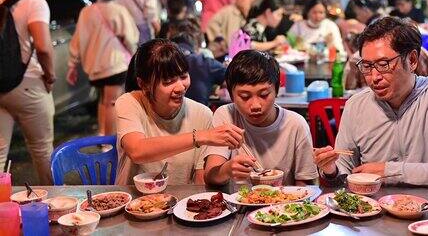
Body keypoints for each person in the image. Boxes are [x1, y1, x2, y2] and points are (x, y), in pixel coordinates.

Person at [314, 17, 428, 187]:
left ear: (412, 60)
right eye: (367, 66)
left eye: (384, 64)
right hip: (375, 209)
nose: (374, 77)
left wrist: (390, 171)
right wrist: (331, 170)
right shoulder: (356, 105)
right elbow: (345, 170)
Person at [115, 39, 245, 185]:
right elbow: (137, 151)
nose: (180, 87)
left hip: (179, 204)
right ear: (143, 84)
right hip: (131, 203)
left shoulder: (202, 114)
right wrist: (200, 136)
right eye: (168, 81)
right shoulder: (129, 102)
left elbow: (200, 182)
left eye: (183, 77)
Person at [203, 50, 318, 186]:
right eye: (245, 97)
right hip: (237, 204)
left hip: (283, 204)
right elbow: (210, 177)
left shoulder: (296, 124)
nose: (255, 105)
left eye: (263, 95)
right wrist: (227, 169)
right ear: (231, 95)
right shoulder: (226, 115)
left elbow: (306, 183)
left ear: (276, 90)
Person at [0, 0, 55, 185]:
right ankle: (55, 210)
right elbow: (43, 46)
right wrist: (50, 75)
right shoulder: (33, 1)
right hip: (27, 84)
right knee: (43, 152)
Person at [67, 0, 139, 138]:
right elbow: (130, 37)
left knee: (103, 101)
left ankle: (101, 135)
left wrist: (72, 65)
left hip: (94, 66)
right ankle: (109, 142)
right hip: (115, 64)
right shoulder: (118, 10)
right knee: (112, 103)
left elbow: (77, 40)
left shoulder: (86, 12)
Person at [166, 21, 226, 106]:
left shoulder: (157, 61)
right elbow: (235, 79)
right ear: (197, 43)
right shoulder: (205, 63)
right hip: (199, 117)